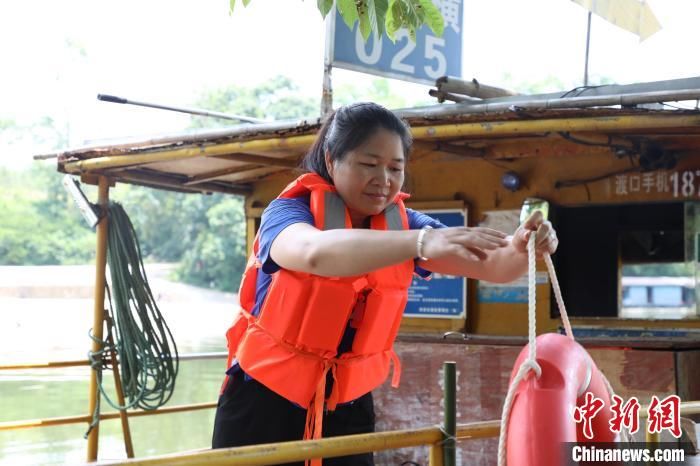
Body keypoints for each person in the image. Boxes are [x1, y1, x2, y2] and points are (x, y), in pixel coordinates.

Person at [212, 102, 558, 465]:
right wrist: (419, 242)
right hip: (263, 401)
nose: (384, 179)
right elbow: (312, 252)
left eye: (396, 168)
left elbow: (496, 268)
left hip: (347, 408)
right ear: (331, 161)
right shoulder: (287, 212)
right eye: (368, 164)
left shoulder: (405, 223)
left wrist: (523, 248)